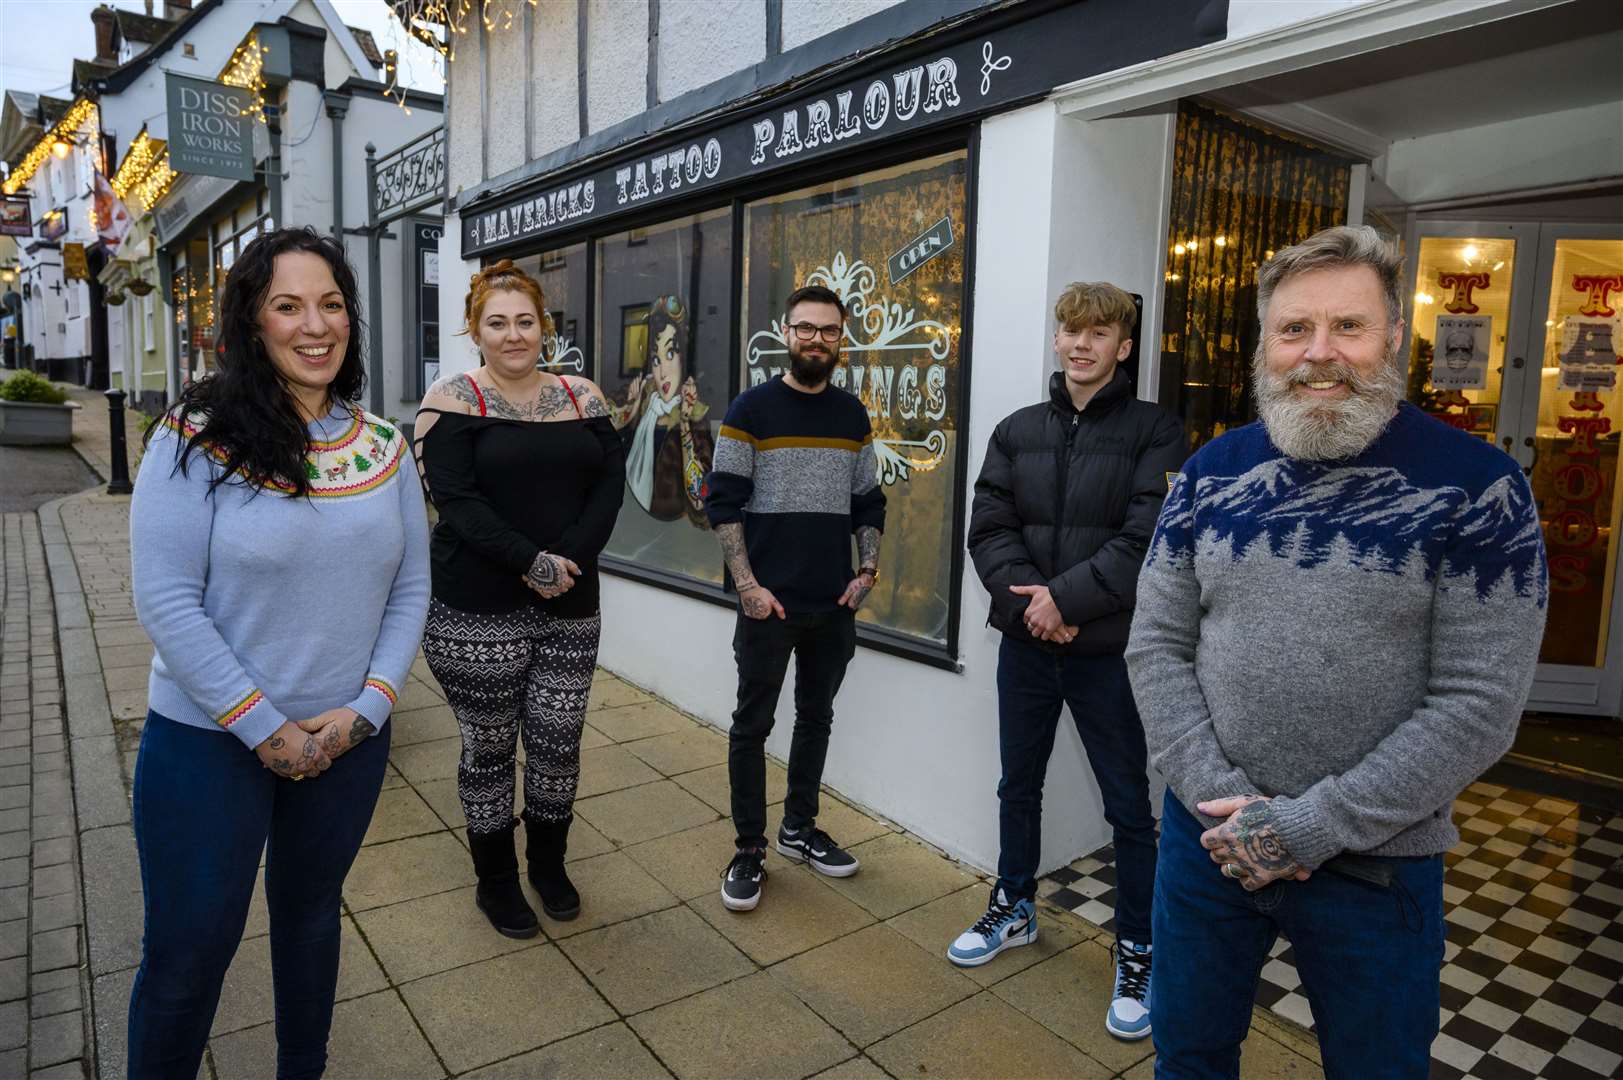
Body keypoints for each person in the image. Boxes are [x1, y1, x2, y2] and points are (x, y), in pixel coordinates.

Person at [1125, 225, 1548, 1078]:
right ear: (1263, 346)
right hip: (1206, 840)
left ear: (1394, 335)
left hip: (1375, 861)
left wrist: (1305, 828)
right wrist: (1222, 801)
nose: (1319, 355)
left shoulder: (1477, 487)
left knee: (1376, 1067)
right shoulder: (1211, 472)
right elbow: (1156, 645)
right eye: (1293, 330)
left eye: (1347, 327)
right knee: (1188, 1053)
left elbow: (1479, 704)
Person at [127, 227, 430, 1079]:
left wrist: (367, 710)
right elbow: (166, 601)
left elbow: (408, 588)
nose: (315, 325)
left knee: (309, 921)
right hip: (206, 745)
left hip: (345, 744)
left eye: (331, 304)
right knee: (187, 959)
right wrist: (265, 729)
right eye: (288, 306)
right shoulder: (192, 436)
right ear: (252, 323)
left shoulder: (382, 445)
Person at [955, 282, 1184, 1042]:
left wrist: (1064, 601)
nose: (1081, 344)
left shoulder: (1157, 431)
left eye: (1098, 332)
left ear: (1123, 347)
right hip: (1027, 645)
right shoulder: (1017, 430)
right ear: (1057, 341)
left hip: (1106, 654)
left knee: (1128, 809)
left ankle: (1137, 950)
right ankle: (1013, 906)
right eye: (1069, 330)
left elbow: (1146, 536)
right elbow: (988, 526)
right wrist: (1033, 608)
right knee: (1015, 785)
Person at [414, 259, 624, 937]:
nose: (512, 335)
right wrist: (529, 561)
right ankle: (496, 881)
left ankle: (548, 865)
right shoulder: (449, 401)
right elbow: (457, 502)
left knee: (559, 745)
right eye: (496, 323)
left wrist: (566, 562)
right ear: (474, 330)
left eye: (524, 321)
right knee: (490, 750)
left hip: (570, 605)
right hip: (475, 609)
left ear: (545, 328)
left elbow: (608, 490)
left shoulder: (585, 399)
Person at [705, 283, 885, 912]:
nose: (817, 340)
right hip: (768, 605)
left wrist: (868, 571)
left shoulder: (852, 415)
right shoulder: (750, 409)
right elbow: (722, 502)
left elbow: (868, 500)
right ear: (787, 334)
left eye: (829, 331)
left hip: (833, 603)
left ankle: (798, 829)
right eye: (806, 328)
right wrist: (748, 587)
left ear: (841, 340)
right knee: (752, 725)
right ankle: (749, 848)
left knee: (817, 718)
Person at [609, 294, 714, 525]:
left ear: (683, 357)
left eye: (669, 354)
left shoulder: (696, 413)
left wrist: (685, 423)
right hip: (629, 523)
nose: (662, 371)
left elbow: (701, 503)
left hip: (673, 543)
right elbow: (601, 426)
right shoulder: (644, 395)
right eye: (655, 359)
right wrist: (631, 407)